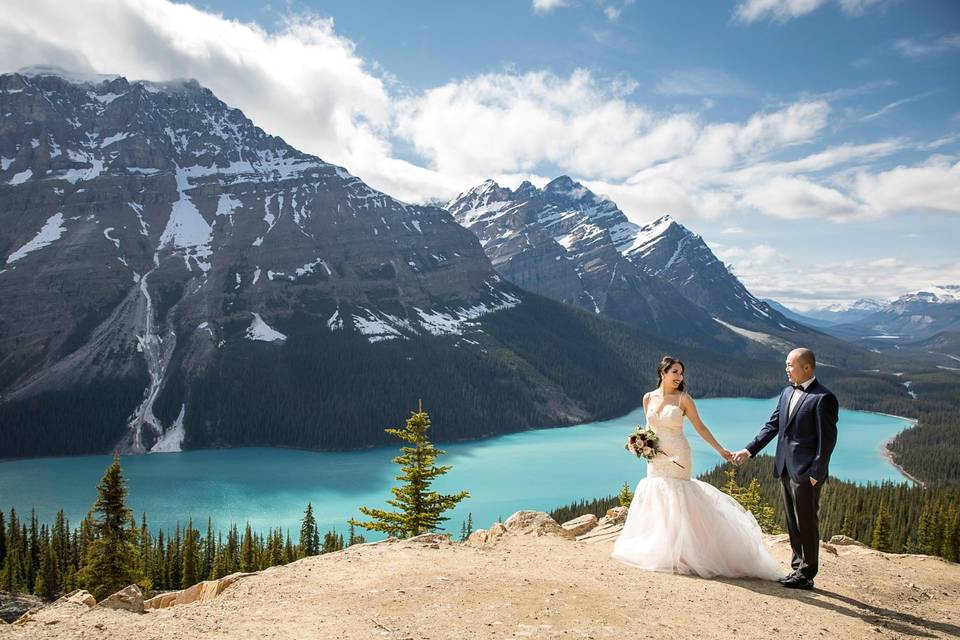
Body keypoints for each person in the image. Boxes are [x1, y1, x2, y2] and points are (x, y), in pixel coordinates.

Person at [611, 356, 782, 580]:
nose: (679, 377)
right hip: (656, 457)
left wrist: (720, 450)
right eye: (675, 372)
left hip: (679, 454)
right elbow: (648, 427)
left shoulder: (684, 400)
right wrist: (640, 443)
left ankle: (685, 553)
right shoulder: (647, 398)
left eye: (681, 373)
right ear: (662, 373)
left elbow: (700, 427)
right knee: (657, 496)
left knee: (679, 497)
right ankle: (663, 549)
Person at [731, 347, 838, 590]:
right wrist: (748, 450)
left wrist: (816, 474)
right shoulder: (786, 393)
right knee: (792, 520)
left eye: (790, 365)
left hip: (806, 473)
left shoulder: (823, 398)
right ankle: (796, 568)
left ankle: (807, 573)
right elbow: (772, 426)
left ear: (807, 368)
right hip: (785, 468)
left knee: (807, 522)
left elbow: (827, 440)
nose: (786, 369)